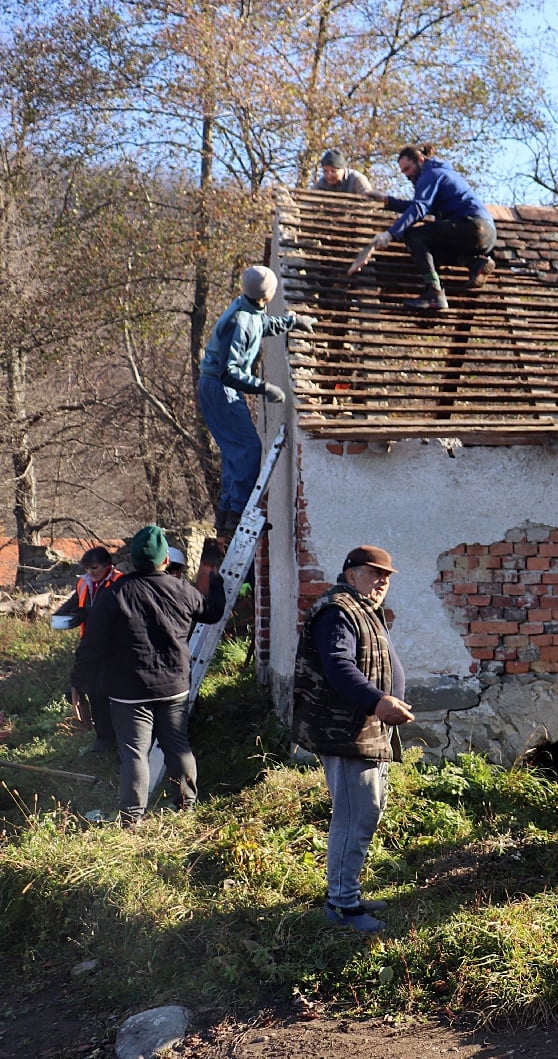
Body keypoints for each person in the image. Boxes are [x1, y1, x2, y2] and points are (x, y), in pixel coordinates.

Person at [291, 545, 415, 933]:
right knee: (353, 816)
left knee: (366, 811)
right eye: (373, 573)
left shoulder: (362, 609)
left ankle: (348, 893)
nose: (382, 581)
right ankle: (342, 907)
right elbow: (338, 666)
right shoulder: (337, 611)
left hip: (364, 729)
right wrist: (377, 701)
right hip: (344, 730)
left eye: (387, 576)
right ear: (350, 575)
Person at [72, 525, 226, 826]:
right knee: (177, 746)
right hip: (173, 686)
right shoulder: (181, 589)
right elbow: (212, 612)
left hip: (129, 691)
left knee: (134, 753)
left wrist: (78, 682)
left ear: (131, 561)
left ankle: (132, 819)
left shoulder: (115, 593)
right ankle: (185, 806)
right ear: (165, 560)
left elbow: (91, 645)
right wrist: (214, 576)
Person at [197, 265, 316, 537]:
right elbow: (231, 372)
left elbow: (262, 323)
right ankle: (240, 515)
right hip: (220, 386)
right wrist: (265, 388)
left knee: (233, 451)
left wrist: (293, 321)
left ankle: (227, 515)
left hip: (214, 384)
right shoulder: (241, 320)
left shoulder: (247, 308)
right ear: (268, 294)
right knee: (248, 451)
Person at [354, 145, 497, 311]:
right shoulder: (441, 173)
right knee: (431, 252)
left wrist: (391, 234)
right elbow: (421, 206)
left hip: (470, 226)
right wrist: (387, 201)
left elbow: (419, 208)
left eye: (408, 168)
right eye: (403, 172)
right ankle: (474, 262)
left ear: (420, 159)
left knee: (414, 236)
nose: (407, 175)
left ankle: (434, 294)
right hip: (486, 234)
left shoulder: (430, 175)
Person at [55, 546, 123, 752]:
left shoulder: (120, 582)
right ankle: (102, 738)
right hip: (90, 644)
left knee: (109, 692)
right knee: (92, 690)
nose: (90, 573)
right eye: (87, 569)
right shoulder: (83, 582)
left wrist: (89, 613)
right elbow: (76, 602)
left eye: (94, 568)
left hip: (114, 645)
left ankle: (117, 737)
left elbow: (119, 612)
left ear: (107, 566)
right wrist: (67, 615)